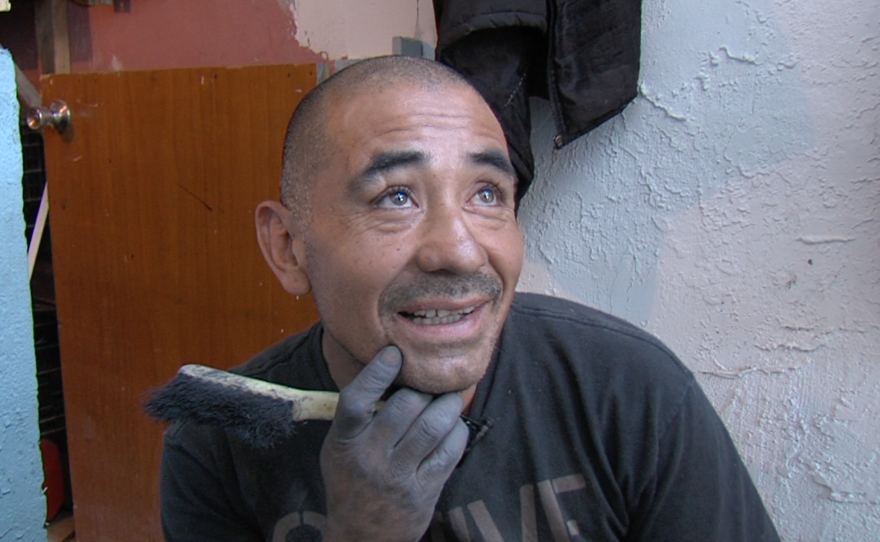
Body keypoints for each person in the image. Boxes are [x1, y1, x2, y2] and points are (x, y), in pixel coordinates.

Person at [159, 55, 781, 542]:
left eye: (487, 194)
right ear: (289, 247)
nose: (459, 250)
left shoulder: (629, 391)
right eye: (395, 197)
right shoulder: (217, 446)